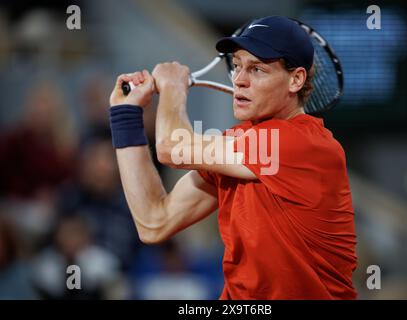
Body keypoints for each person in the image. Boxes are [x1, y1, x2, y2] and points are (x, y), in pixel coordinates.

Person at [108, 16, 357, 299]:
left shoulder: (304, 144)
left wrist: (173, 89)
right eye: (237, 66)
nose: (239, 80)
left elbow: (172, 148)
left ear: (296, 79)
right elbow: (154, 222)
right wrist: (124, 116)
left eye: (257, 69)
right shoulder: (237, 146)